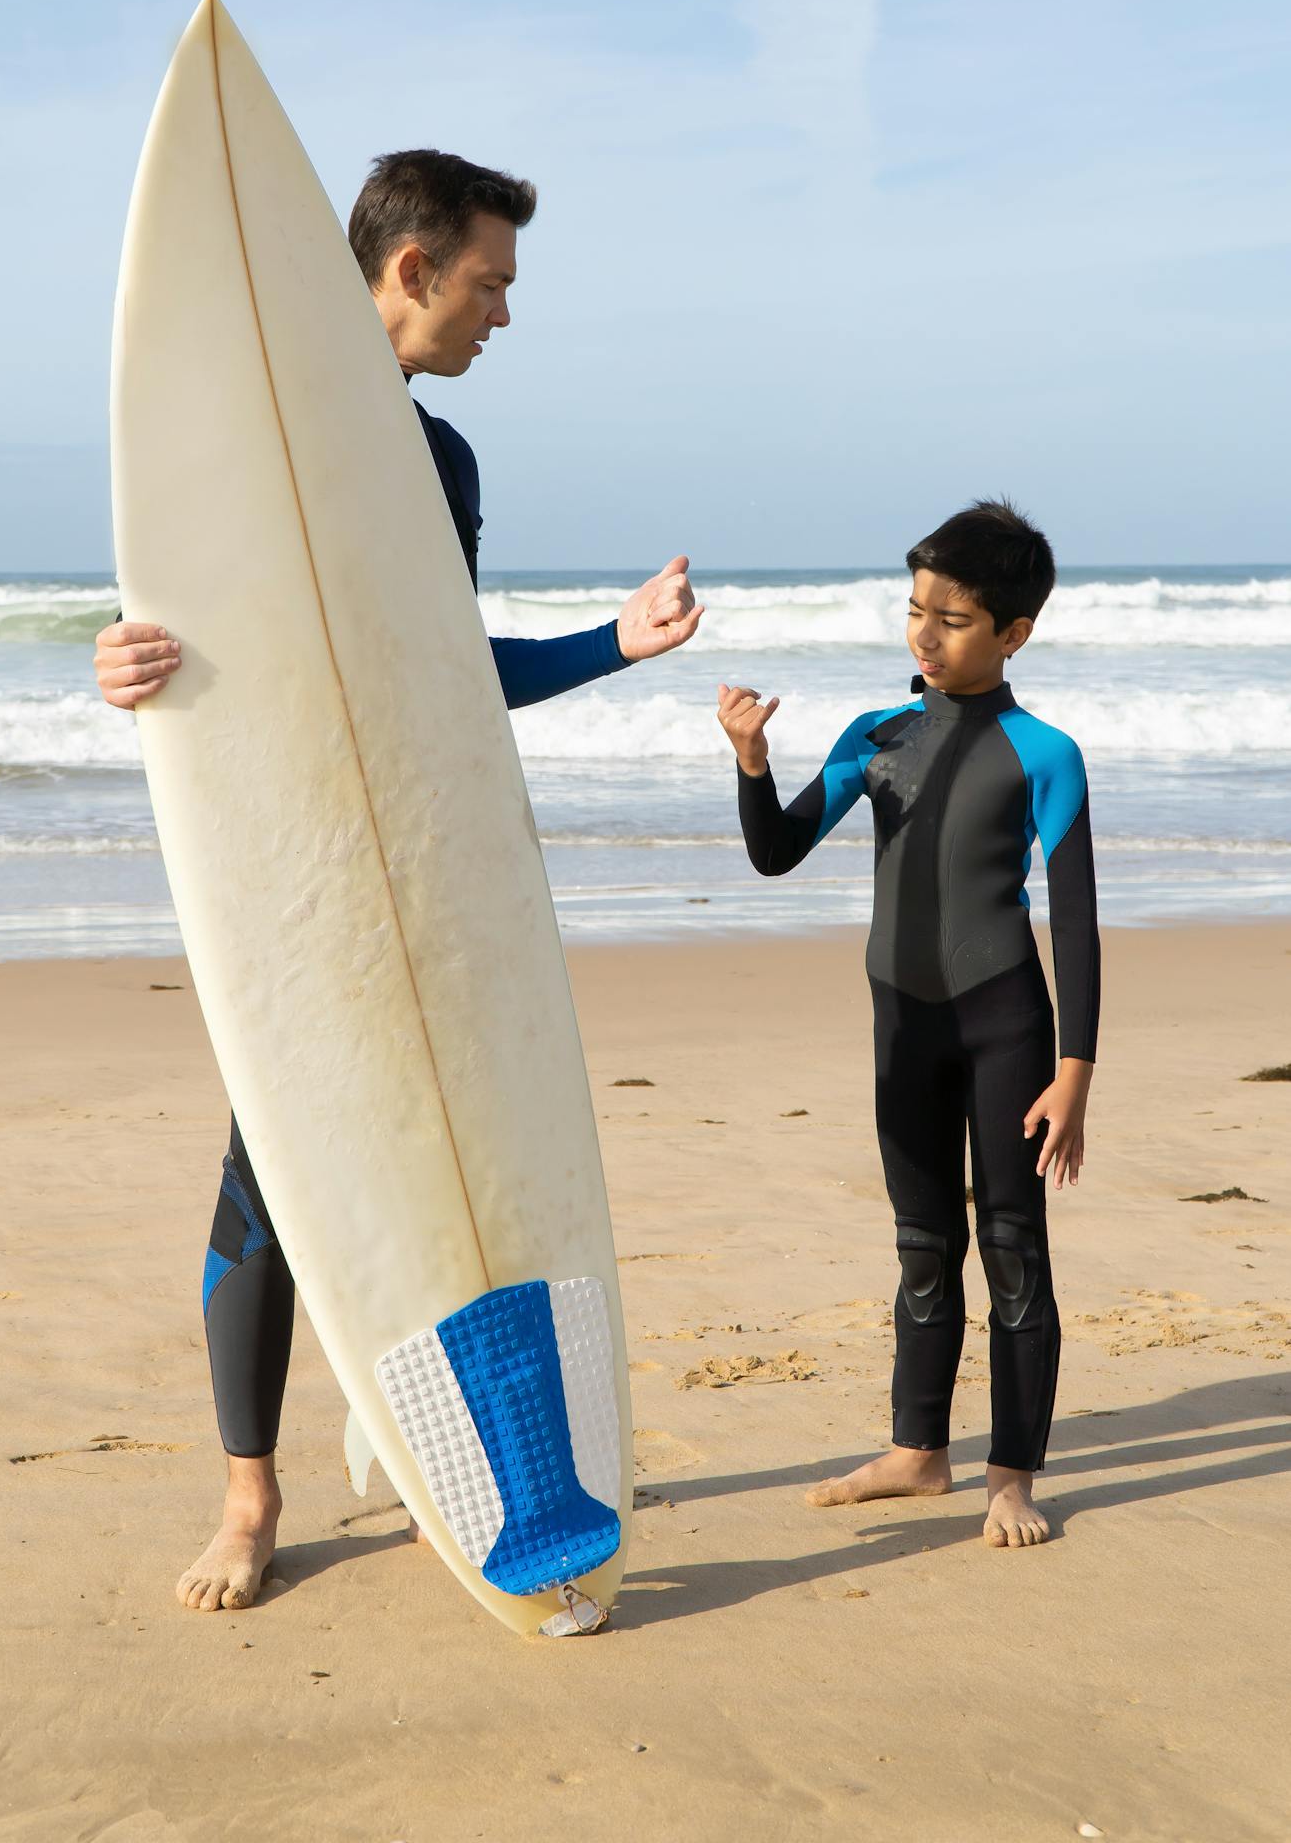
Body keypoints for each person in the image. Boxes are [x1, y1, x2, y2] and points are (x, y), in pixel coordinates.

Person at [94, 149, 703, 1609]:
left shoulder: (441, 465)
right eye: (489, 282)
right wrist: (113, 666)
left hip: (427, 843)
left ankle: (438, 1428)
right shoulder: (228, 434)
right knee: (281, 1163)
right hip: (293, 861)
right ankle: (250, 1498)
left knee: (452, 1148)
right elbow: (176, 629)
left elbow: (443, 677)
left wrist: (610, 646)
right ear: (412, 271)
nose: (502, 314)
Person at [717, 500, 1099, 1549]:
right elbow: (777, 851)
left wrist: (1076, 1070)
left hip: (1007, 1025)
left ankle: (1011, 1473)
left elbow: (1074, 921)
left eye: (955, 617)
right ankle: (918, 1450)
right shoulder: (875, 735)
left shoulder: (1046, 752)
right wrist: (751, 761)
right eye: (915, 608)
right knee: (924, 1244)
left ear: (1014, 631)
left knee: (1014, 1246)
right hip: (903, 1027)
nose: (925, 634)